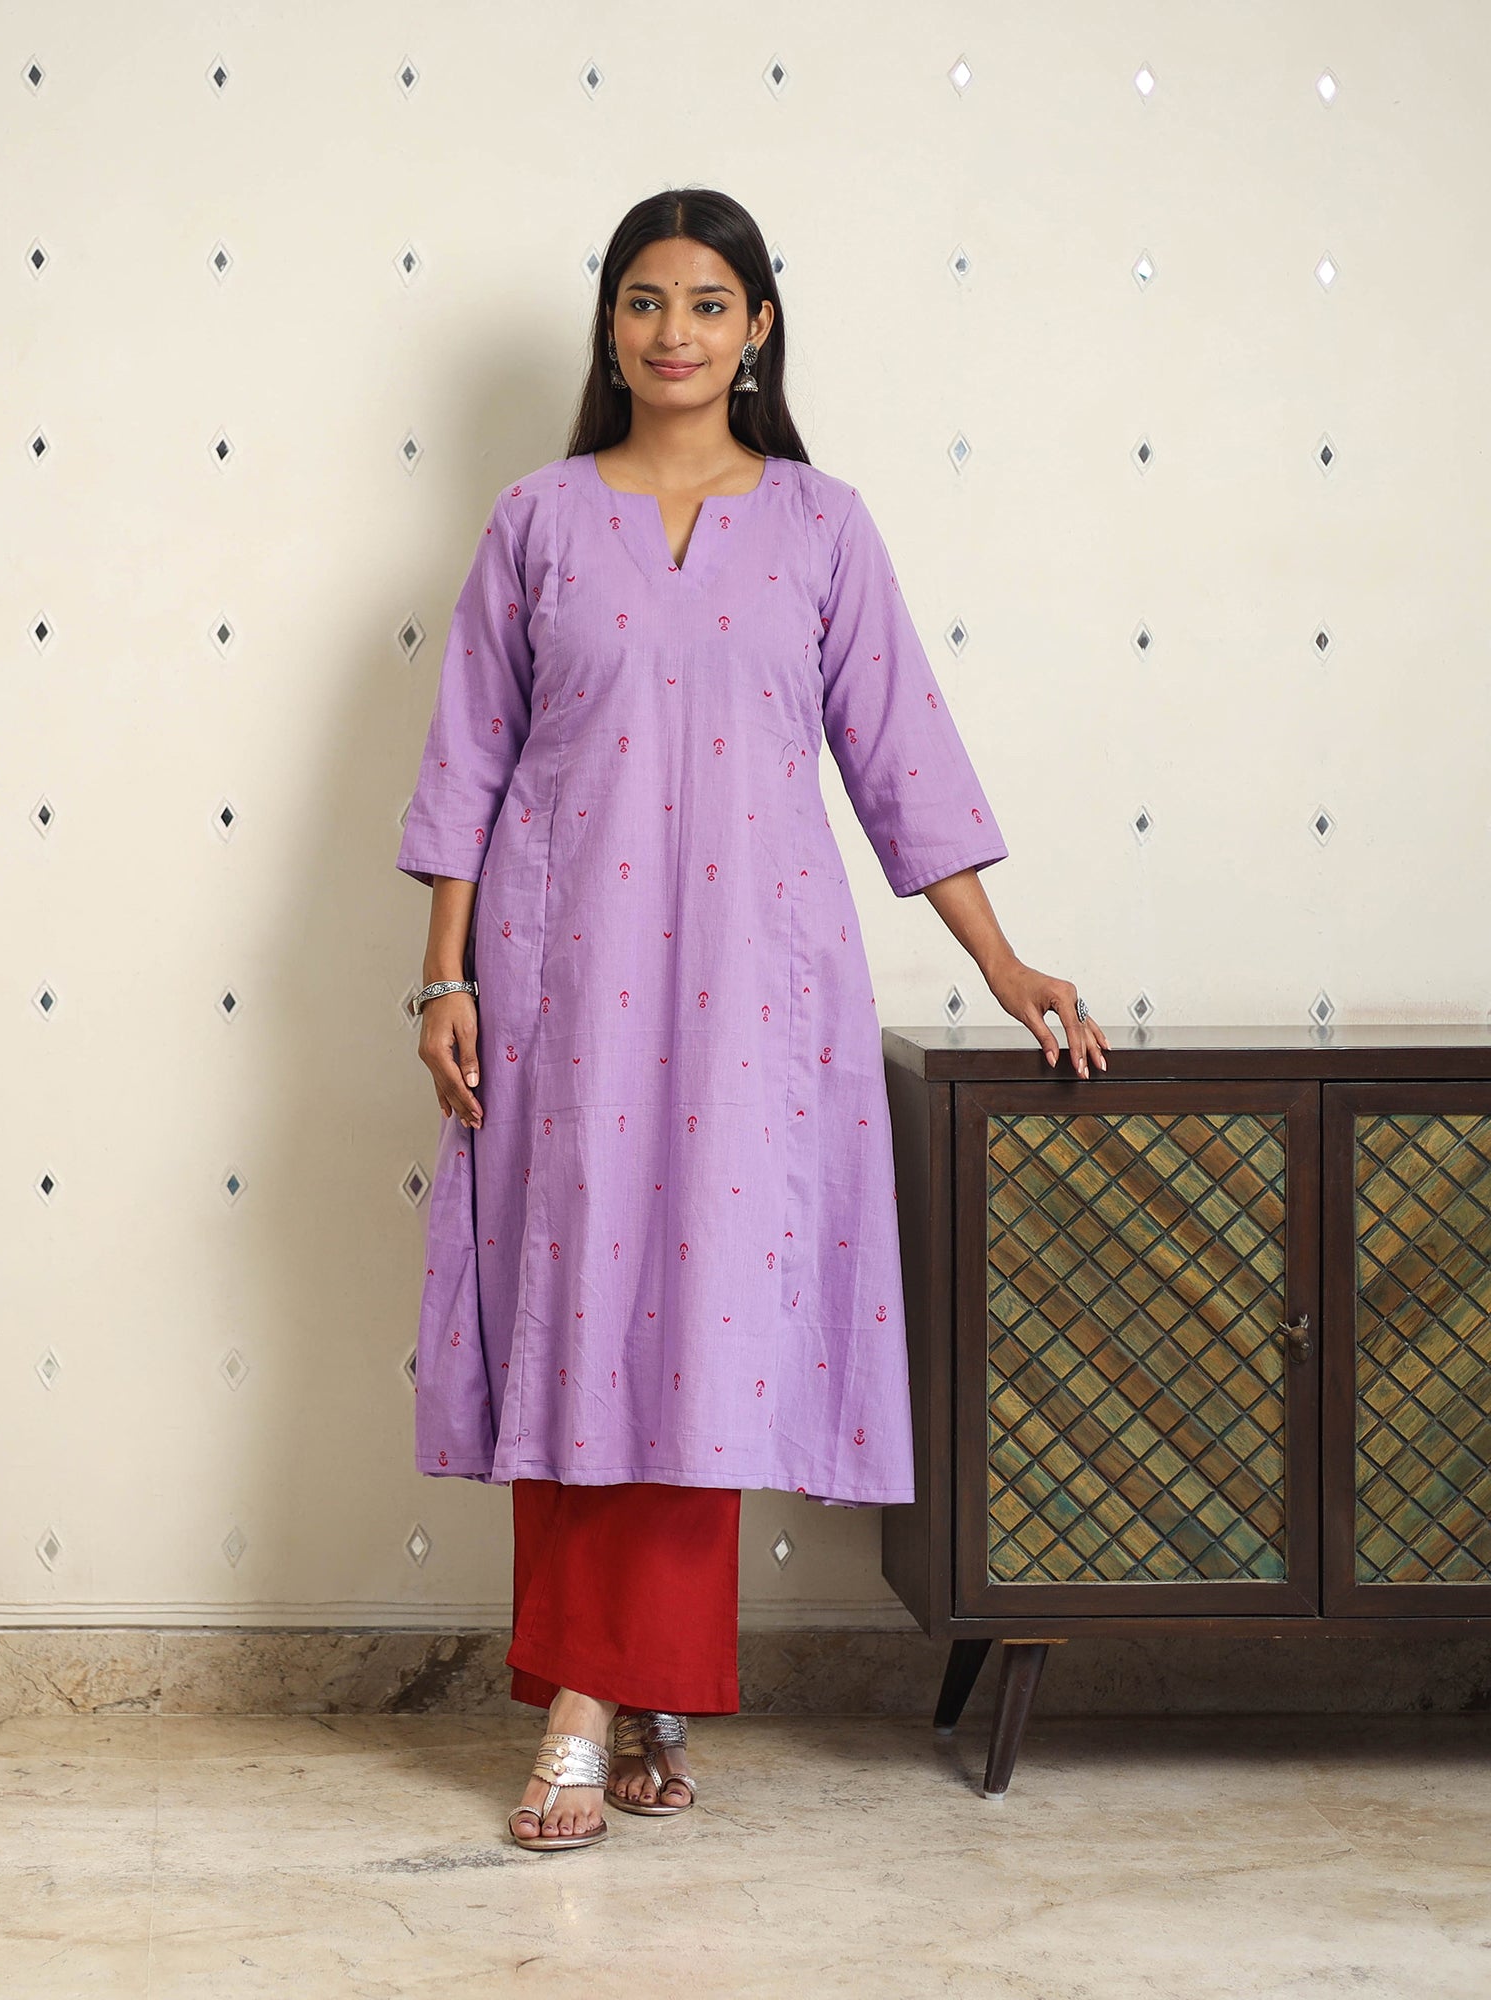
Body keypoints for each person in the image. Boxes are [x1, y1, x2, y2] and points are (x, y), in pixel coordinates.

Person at [394, 187, 1110, 1852]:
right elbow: (467, 763)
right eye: (646, 301)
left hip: (750, 1002)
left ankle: (595, 1702)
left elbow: (899, 757)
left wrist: (1003, 964)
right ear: (611, 326)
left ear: (758, 329)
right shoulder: (536, 520)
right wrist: (446, 977)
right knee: (581, 1326)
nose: (674, 332)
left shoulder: (821, 528)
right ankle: (622, 1696)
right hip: (562, 986)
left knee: (698, 1329)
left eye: (708, 303)